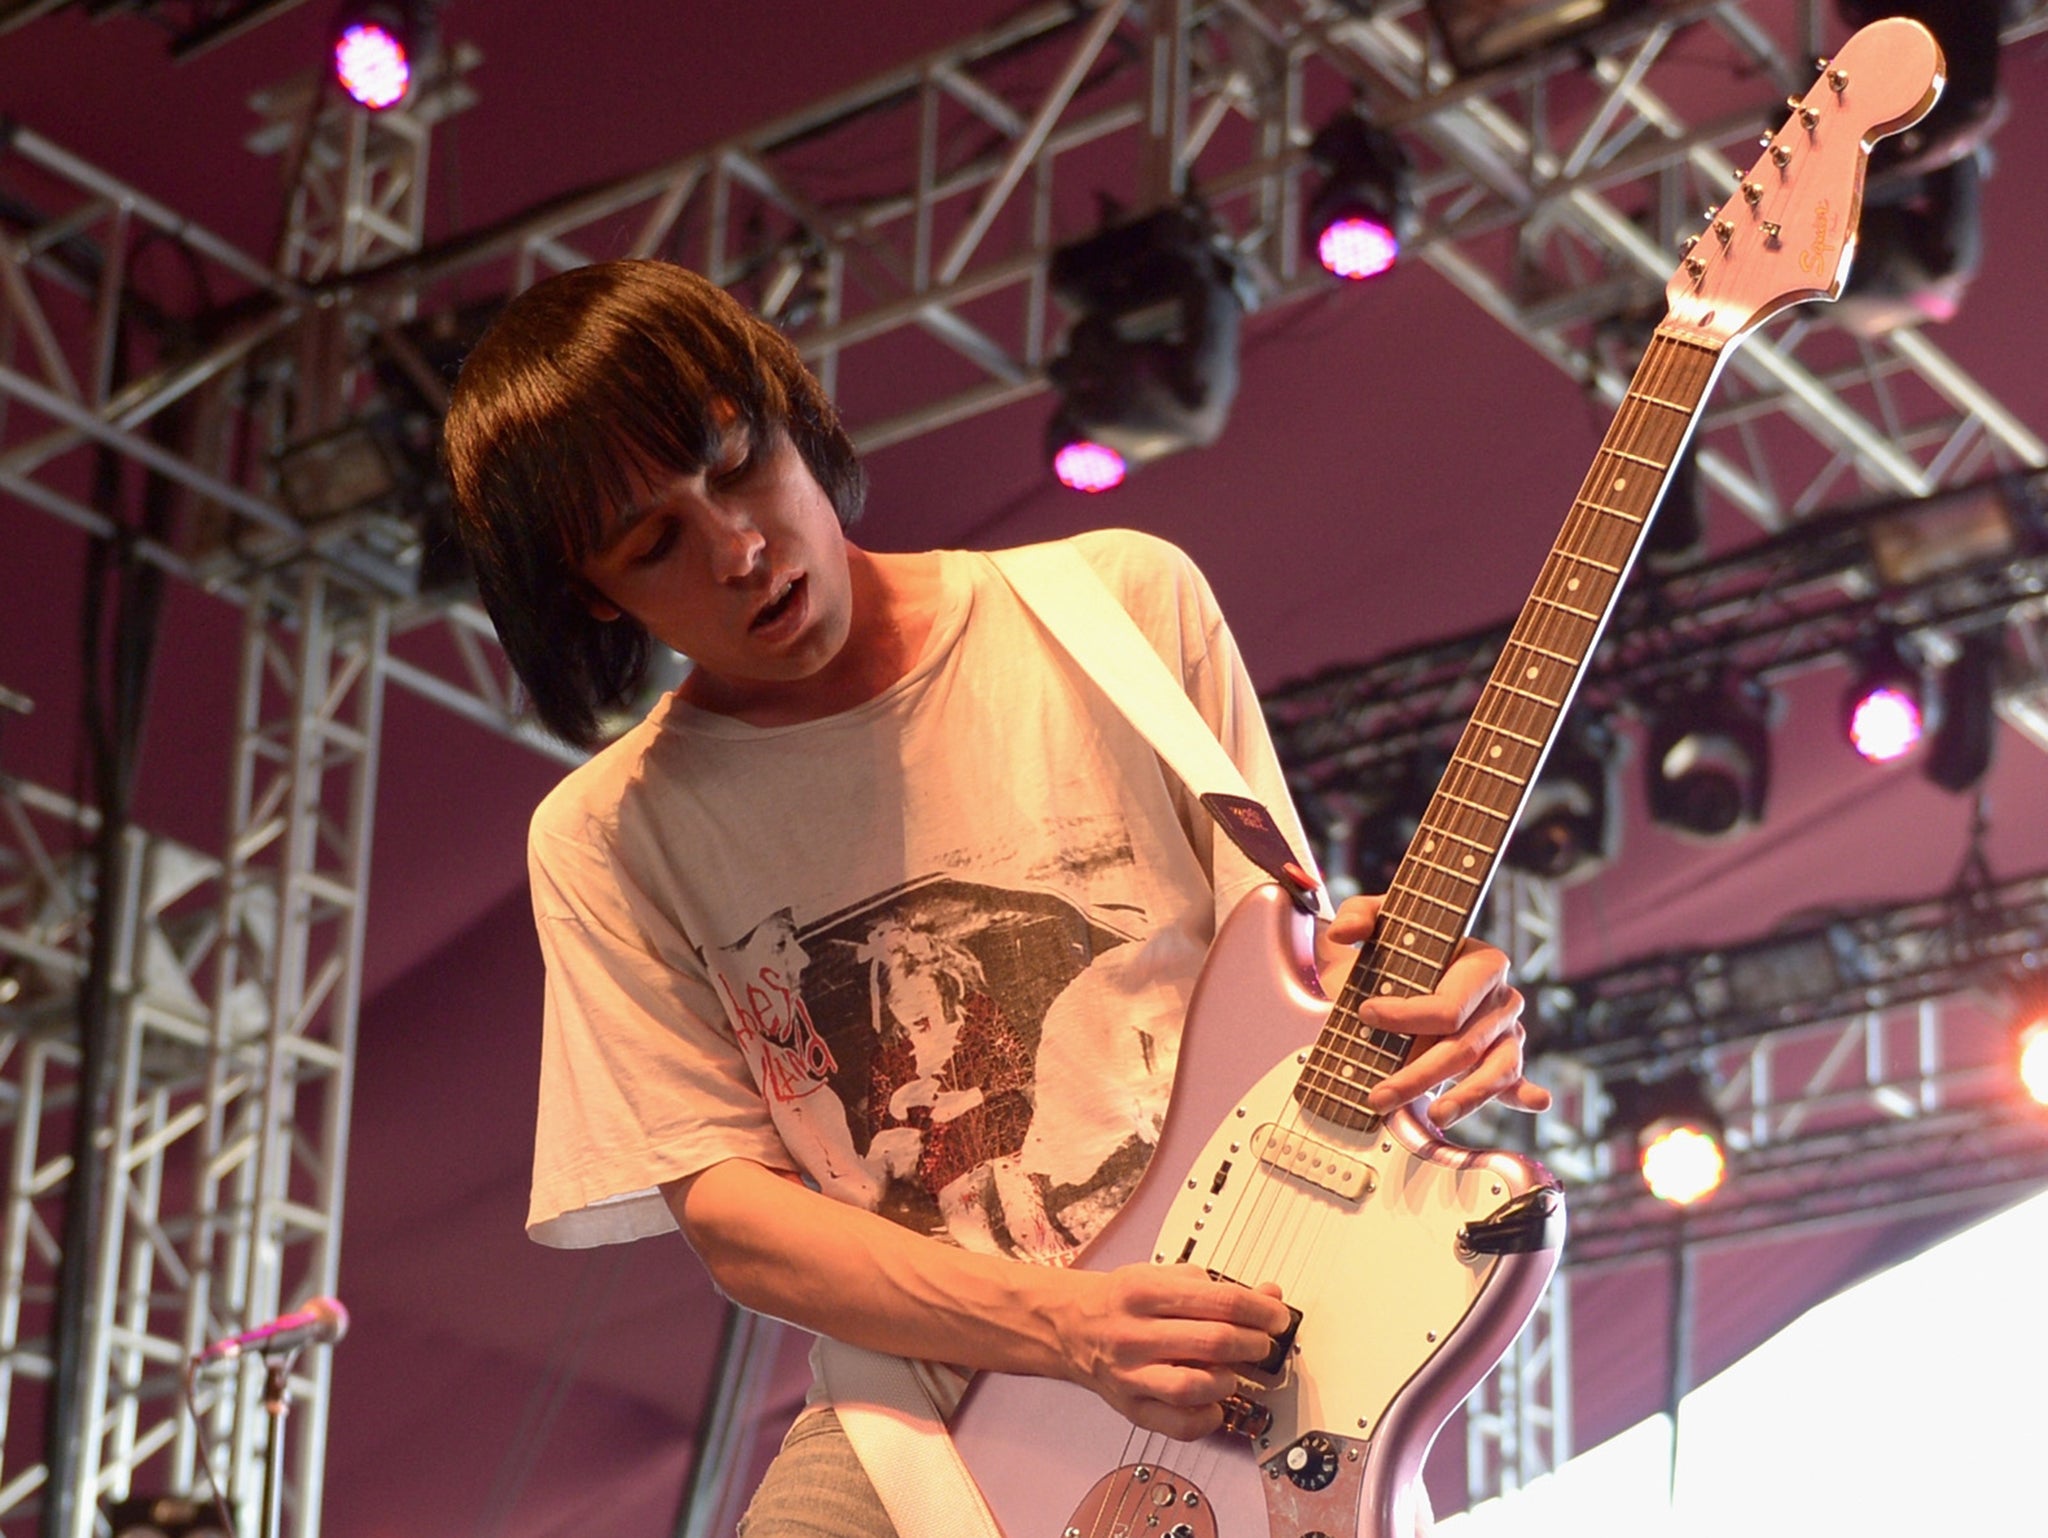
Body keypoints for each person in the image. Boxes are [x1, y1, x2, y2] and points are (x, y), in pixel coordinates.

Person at [442, 258, 1551, 1538]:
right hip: (916, 1422)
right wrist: (1064, 1326)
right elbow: (736, 1222)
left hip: (1245, 1366)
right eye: (656, 542)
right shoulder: (609, 834)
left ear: (789, 416)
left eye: (740, 464)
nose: (740, 546)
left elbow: (1293, 982)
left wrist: (1430, 1008)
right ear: (596, 595)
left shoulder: (1122, 606)